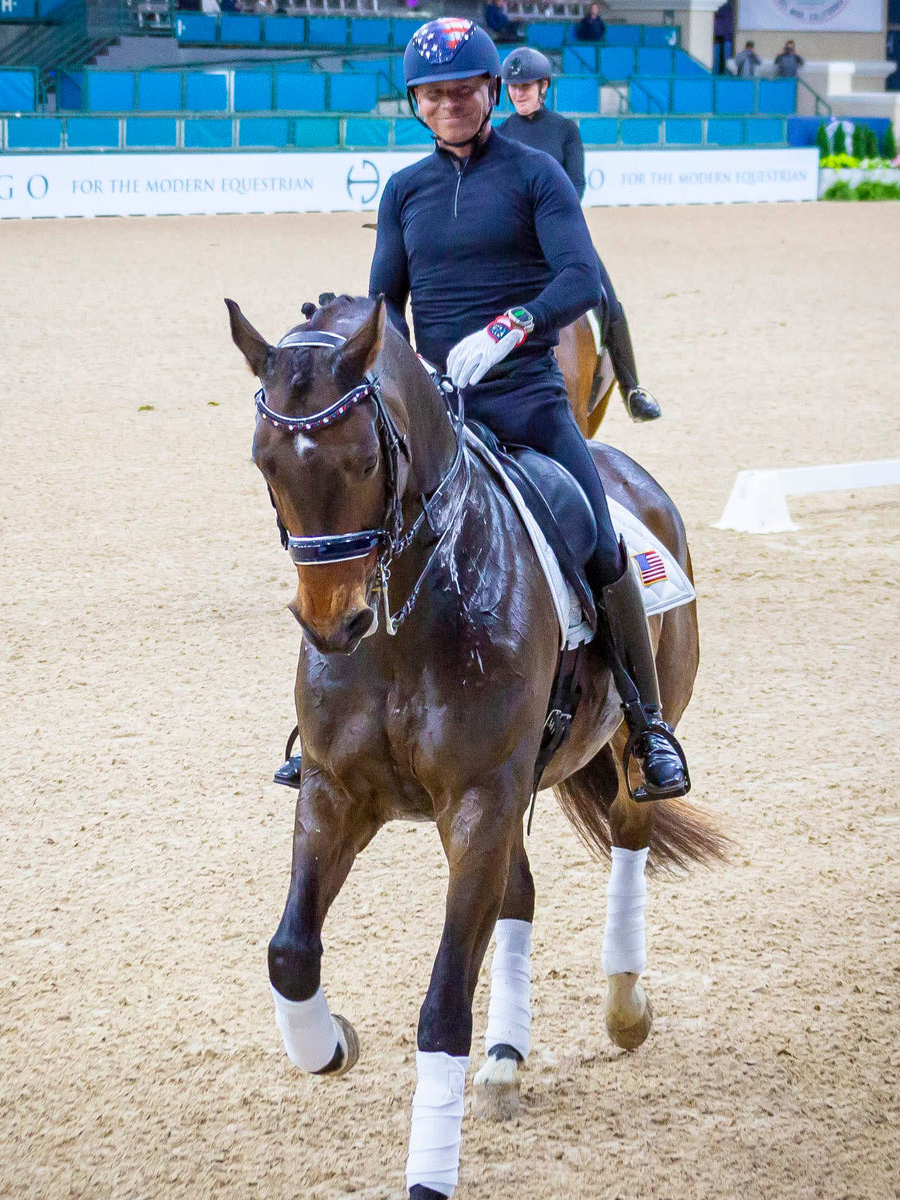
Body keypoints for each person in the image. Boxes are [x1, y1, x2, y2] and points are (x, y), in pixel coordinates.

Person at [275, 18, 689, 805]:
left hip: (528, 398)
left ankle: (648, 720)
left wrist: (514, 326)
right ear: (417, 105)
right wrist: (373, 351)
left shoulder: (537, 176)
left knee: (598, 540)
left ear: (492, 92)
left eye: (466, 88)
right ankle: (322, 726)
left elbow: (581, 281)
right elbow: (386, 306)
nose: (453, 102)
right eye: (436, 93)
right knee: (356, 532)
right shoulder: (404, 191)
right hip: (440, 409)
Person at [499, 45, 661, 422]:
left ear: (543, 86)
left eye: (526, 86)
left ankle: (631, 388)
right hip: (513, 240)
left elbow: (575, 186)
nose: (519, 93)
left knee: (607, 298)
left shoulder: (565, 131)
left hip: (558, 233)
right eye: (513, 86)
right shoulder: (501, 134)